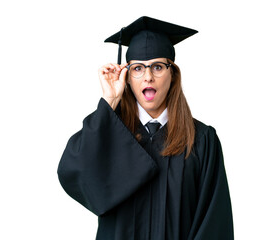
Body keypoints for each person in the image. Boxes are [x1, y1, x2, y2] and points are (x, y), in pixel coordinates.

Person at [58, 16, 234, 240]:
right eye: (138, 68)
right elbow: (74, 173)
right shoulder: (109, 132)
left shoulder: (201, 140)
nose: (148, 77)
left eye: (158, 67)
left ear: (173, 74)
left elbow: (214, 222)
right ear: (128, 77)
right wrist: (110, 102)